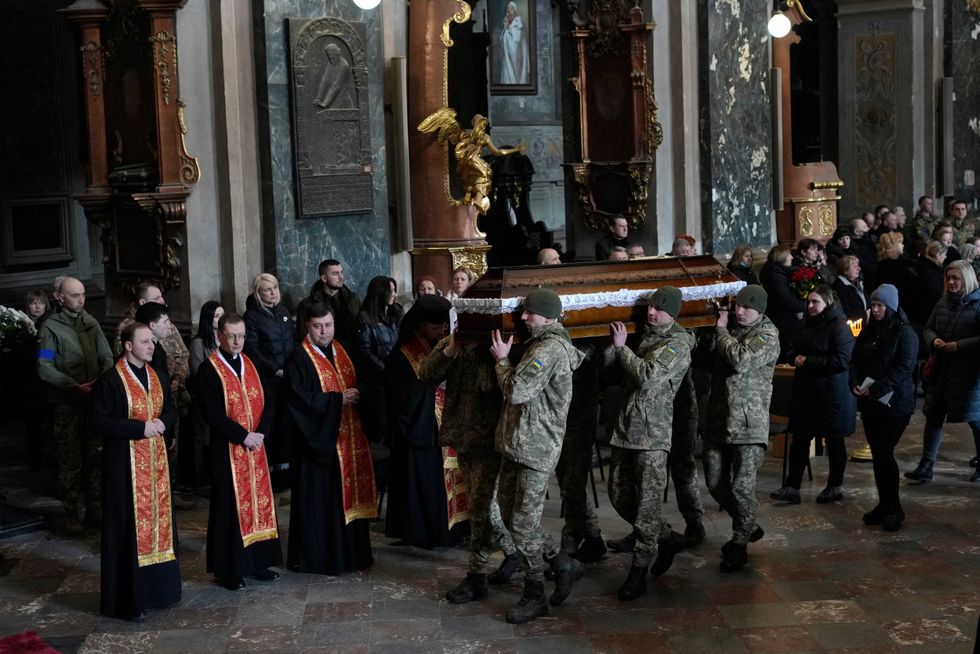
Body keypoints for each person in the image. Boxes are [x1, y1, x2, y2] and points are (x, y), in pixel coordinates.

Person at [489, 288, 586, 624]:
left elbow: (517, 390)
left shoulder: (549, 349)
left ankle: (535, 595)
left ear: (547, 316)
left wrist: (501, 360)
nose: (523, 317)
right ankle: (561, 562)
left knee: (522, 523)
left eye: (530, 313)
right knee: (508, 512)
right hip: (518, 442)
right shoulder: (536, 344)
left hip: (536, 447)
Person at [605, 287, 695, 601]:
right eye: (649, 307)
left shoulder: (677, 344)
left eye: (658, 309)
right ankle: (667, 538)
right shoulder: (648, 336)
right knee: (618, 496)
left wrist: (621, 348)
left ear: (673, 313)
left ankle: (639, 571)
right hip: (626, 430)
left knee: (646, 508)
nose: (651, 313)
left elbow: (648, 376)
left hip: (652, 437)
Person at [93, 322, 180, 620]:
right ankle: (130, 598)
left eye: (152, 342)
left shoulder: (156, 376)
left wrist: (163, 424)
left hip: (156, 466)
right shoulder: (111, 380)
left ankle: (160, 591)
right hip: (124, 467)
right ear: (128, 345)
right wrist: (139, 428)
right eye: (145, 342)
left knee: (159, 526)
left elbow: (170, 410)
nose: (151, 346)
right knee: (128, 529)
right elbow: (100, 421)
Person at [284, 303, 376, 574]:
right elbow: (298, 400)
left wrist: (359, 393)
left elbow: (366, 379)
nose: (324, 331)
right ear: (307, 327)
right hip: (319, 445)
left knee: (348, 499)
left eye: (328, 325)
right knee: (323, 503)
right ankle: (324, 558)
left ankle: (353, 555)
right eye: (317, 326)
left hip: (349, 439)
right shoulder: (298, 358)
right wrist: (337, 399)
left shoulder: (344, 350)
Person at [419, 328, 507, 604]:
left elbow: (491, 386)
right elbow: (426, 373)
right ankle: (527, 556)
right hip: (462, 436)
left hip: (489, 441)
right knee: (484, 510)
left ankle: (476, 577)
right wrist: (451, 349)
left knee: (483, 512)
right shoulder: (455, 340)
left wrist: (494, 357)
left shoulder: (498, 344)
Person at [196, 313, 282, 590]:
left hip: (256, 447)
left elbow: (268, 400)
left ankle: (259, 562)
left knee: (259, 504)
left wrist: (261, 435)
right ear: (220, 336)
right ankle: (231, 569)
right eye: (231, 335)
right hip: (227, 449)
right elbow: (212, 413)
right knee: (230, 509)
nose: (237, 341)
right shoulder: (209, 369)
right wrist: (243, 436)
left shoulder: (251, 363)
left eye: (241, 336)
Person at [699, 285, 779, 572]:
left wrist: (720, 332)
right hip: (720, 420)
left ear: (760, 309)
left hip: (748, 424)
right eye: (737, 306)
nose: (738, 311)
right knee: (714, 483)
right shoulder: (731, 329)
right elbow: (709, 362)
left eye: (745, 307)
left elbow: (741, 360)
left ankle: (739, 543)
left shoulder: (767, 335)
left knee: (741, 488)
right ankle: (749, 524)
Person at [384, 295, 469, 548]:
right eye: (435, 328)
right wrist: (435, 387)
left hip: (447, 427)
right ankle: (426, 533)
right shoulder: (404, 355)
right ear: (420, 325)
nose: (440, 332)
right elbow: (402, 395)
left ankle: (456, 530)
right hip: (421, 432)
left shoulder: (445, 344)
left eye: (444, 328)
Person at [37, 276, 114, 532]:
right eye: (74, 295)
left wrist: (100, 382)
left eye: (82, 295)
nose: (80, 300)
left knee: (96, 456)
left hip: (93, 400)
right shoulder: (50, 329)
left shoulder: (90, 323)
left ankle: (96, 508)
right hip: (67, 403)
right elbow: (44, 367)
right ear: (60, 297)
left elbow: (106, 356)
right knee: (70, 460)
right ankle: (71, 512)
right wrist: (72, 385)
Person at [771, 285, 856, 504]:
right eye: (808, 302)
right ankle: (792, 487)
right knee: (799, 439)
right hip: (805, 391)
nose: (810, 306)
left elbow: (841, 360)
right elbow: (790, 349)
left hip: (831, 394)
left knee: (834, 440)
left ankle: (835, 486)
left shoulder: (839, 327)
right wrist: (794, 358)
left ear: (827, 303)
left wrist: (808, 361)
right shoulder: (804, 324)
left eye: (815, 302)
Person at [905, 261, 980, 483]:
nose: (951, 282)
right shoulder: (943, 302)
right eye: (948, 278)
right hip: (942, 369)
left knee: (975, 419)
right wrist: (934, 340)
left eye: (956, 278)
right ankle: (926, 465)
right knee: (934, 416)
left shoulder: (977, 304)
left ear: (966, 279)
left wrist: (959, 346)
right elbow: (928, 328)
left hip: (968, 372)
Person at [850, 285, 918, 531]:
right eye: (873, 305)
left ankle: (894, 508)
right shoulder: (870, 330)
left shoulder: (905, 333)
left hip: (895, 404)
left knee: (885, 453)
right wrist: (855, 382)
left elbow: (904, 368)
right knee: (879, 456)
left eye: (880, 306)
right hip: (871, 404)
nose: (875, 310)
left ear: (890, 307)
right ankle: (884, 504)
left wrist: (876, 388)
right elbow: (855, 359)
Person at [243, 273, 296, 486]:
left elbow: (292, 340)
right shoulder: (252, 316)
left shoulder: (283, 312)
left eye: (274, 287)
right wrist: (275, 369)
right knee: (271, 424)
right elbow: (252, 348)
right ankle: (270, 470)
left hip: (287, 377)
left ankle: (285, 469)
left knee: (287, 423)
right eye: (267, 289)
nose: (272, 292)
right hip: (268, 378)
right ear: (258, 292)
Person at [355, 276, 403, 445]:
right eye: (391, 290)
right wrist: (386, 370)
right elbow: (364, 350)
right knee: (381, 426)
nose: (394, 294)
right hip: (377, 381)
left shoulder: (396, 312)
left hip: (396, 378)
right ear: (381, 292)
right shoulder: (365, 317)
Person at [188, 301, 223, 486]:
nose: (220, 319)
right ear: (208, 319)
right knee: (207, 440)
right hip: (207, 398)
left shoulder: (225, 338)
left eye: (222, 315)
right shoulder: (198, 343)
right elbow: (196, 372)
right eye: (217, 316)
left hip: (225, 398)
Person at [297, 259, 362, 344]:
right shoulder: (307, 304)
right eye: (335, 273)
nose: (341, 277)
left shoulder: (353, 300)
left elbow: (360, 330)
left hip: (350, 353)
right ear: (324, 278)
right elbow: (304, 337)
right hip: (320, 353)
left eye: (341, 272)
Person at [759, 244, 805, 362]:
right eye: (789, 254)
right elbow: (786, 299)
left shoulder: (779, 273)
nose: (792, 257)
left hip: (783, 316)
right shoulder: (776, 276)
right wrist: (805, 305)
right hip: (781, 318)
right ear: (782, 256)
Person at [876, 232, 916, 313]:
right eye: (900, 243)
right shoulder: (890, 266)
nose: (903, 245)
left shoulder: (900, 261)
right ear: (894, 246)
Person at [313, 43, 354, 109]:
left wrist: (325, 103)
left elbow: (336, 85)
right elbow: (325, 79)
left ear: (338, 53)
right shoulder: (331, 62)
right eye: (329, 57)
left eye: (332, 57)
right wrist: (319, 98)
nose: (331, 59)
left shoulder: (344, 66)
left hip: (343, 102)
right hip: (332, 100)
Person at [499, 1, 529, 85]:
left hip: (515, 66)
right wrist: (506, 28)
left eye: (509, 11)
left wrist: (506, 28)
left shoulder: (517, 26)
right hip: (507, 63)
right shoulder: (510, 25)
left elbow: (514, 48)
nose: (507, 14)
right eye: (506, 11)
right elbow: (502, 42)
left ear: (514, 12)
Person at [831, 255, 867, 322]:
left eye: (858, 266)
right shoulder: (838, 287)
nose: (859, 268)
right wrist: (865, 315)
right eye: (854, 267)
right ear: (845, 271)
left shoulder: (858, 283)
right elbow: (847, 312)